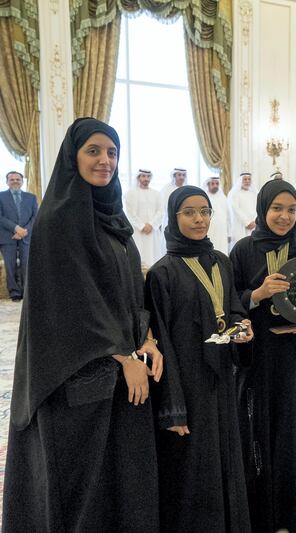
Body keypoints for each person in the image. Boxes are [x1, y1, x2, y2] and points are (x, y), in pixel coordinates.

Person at [2, 117, 163, 532]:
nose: (104, 160)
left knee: (121, 479)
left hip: (120, 370)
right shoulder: (57, 221)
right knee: (83, 486)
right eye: (93, 151)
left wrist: (145, 337)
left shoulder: (115, 219)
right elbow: (69, 304)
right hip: (74, 375)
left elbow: (127, 286)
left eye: (111, 152)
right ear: (73, 157)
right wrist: (121, 355)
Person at [145, 185, 253, 532]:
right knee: (192, 462)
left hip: (221, 377)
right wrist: (173, 406)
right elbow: (161, 341)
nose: (199, 219)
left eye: (204, 212)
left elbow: (233, 310)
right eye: (189, 212)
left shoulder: (220, 260)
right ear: (174, 217)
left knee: (224, 455)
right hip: (187, 382)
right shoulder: (163, 272)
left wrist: (243, 328)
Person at [230, 179, 296, 532]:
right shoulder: (242, 250)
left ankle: (292, 512)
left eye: (291, 210)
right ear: (262, 210)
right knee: (254, 429)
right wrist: (257, 294)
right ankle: (259, 516)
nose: (284, 216)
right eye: (277, 209)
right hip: (256, 355)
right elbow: (230, 303)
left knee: (291, 429)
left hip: (291, 355)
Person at [0, 171, 37, 300]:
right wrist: (16, 228)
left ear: (22, 181)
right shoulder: (0, 196)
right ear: (7, 182)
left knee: (26, 264)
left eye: (18, 179)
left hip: (26, 237)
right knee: (10, 266)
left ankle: (26, 293)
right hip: (6, 237)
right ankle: (15, 293)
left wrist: (24, 231)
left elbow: (35, 217)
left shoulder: (31, 197)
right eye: (12, 179)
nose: (15, 181)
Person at [124, 169, 162, 268]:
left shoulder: (157, 194)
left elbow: (160, 212)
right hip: (137, 232)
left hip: (152, 232)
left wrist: (151, 225)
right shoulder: (130, 193)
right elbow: (130, 213)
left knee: (154, 257)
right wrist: (142, 226)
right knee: (139, 258)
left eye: (148, 176)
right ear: (138, 177)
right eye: (143, 176)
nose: (146, 179)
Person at [160, 168, 187, 255]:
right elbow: (163, 207)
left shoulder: (187, 189)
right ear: (174, 176)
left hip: (185, 221)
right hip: (170, 220)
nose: (181, 177)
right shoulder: (166, 189)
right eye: (179, 175)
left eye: (183, 175)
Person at [229, 172, 258, 249]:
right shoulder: (235, 194)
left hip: (253, 225)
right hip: (240, 225)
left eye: (249, 179)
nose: (247, 181)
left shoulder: (254, 194)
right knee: (241, 247)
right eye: (245, 179)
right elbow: (236, 210)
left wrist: (255, 221)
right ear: (240, 180)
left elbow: (258, 208)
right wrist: (247, 222)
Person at [204, 176, 230, 251]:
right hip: (209, 229)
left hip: (222, 230)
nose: (215, 185)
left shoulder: (223, 197)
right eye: (213, 183)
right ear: (208, 184)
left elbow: (228, 216)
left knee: (222, 249)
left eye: (217, 183)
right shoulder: (204, 197)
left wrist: (229, 233)